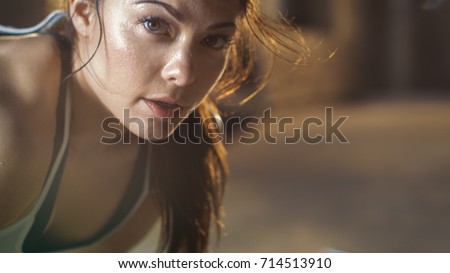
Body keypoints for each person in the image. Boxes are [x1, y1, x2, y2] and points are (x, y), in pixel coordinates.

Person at [0, 0, 307, 252]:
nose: (184, 73)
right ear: (83, 12)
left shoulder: (180, 155)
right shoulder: (10, 117)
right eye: (154, 24)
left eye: (213, 40)